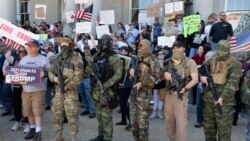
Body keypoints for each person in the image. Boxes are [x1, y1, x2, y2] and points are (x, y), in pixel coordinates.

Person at [199, 40, 242, 141]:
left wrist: (222, 97)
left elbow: (232, 83)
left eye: (223, 52)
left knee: (224, 134)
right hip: (208, 101)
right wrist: (201, 78)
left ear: (228, 51)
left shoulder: (236, 64)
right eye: (219, 51)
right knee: (209, 132)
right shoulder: (212, 60)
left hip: (224, 104)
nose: (221, 55)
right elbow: (197, 71)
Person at [48, 37, 84, 141]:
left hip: (71, 93)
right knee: (57, 116)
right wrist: (54, 78)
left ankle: (74, 138)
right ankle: (58, 137)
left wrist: (67, 86)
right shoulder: (57, 58)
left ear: (70, 46)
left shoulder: (76, 57)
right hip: (58, 92)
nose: (63, 47)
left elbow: (79, 76)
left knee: (72, 117)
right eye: (61, 45)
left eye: (65, 45)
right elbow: (50, 71)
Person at [163, 41, 198, 141]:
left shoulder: (190, 62)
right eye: (174, 48)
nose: (176, 49)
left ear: (184, 49)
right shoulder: (168, 61)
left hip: (181, 96)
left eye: (178, 47)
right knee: (169, 122)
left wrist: (185, 88)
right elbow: (159, 75)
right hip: (169, 95)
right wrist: (165, 73)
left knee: (181, 124)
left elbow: (195, 79)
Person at [90, 34, 122, 141]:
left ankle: (107, 138)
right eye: (101, 42)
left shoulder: (114, 57)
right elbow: (89, 68)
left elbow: (118, 74)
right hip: (96, 91)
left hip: (107, 91)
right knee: (99, 116)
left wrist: (106, 84)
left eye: (105, 42)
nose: (103, 44)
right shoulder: (96, 56)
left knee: (106, 117)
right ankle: (101, 135)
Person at [129, 39, 161, 141]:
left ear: (148, 47)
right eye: (140, 46)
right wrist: (130, 70)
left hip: (144, 95)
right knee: (134, 122)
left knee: (142, 123)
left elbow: (157, 75)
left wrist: (142, 83)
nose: (140, 48)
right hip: (134, 94)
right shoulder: (137, 58)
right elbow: (130, 73)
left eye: (143, 46)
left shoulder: (152, 59)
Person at [18, 39, 50, 141]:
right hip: (25, 90)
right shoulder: (23, 60)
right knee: (28, 112)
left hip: (38, 90)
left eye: (32, 46)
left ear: (37, 48)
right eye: (28, 46)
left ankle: (38, 132)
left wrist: (44, 74)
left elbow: (51, 72)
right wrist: (8, 72)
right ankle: (32, 129)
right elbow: (17, 72)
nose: (30, 48)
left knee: (37, 111)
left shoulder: (43, 59)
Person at [115, 46, 133, 130]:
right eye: (121, 51)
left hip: (128, 86)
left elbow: (134, 73)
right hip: (121, 85)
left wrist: (128, 69)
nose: (122, 52)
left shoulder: (132, 60)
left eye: (124, 51)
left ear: (128, 53)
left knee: (126, 104)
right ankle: (123, 120)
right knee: (122, 104)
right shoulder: (119, 59)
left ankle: (130, 122)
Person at [192, 46, 206, 127]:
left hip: (206, 84)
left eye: (202, 49)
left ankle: (205, 121)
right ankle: (199, 121)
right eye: (199, 49)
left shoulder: (205, 58)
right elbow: (193, 68)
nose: (200, 50)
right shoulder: (194, 57)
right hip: (198, 81)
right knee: (199, 104)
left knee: (205, 105)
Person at [149, 51, 165, 119]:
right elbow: (151, 71)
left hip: (163, 81)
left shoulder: (167, 62)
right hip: (155, 81)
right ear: (157, 55)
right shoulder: (154, 62)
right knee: (155, 97)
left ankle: (159, 112)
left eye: (162, 54)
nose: (161, 55)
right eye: (160, 54)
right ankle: (154, 112)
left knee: (161, 97)